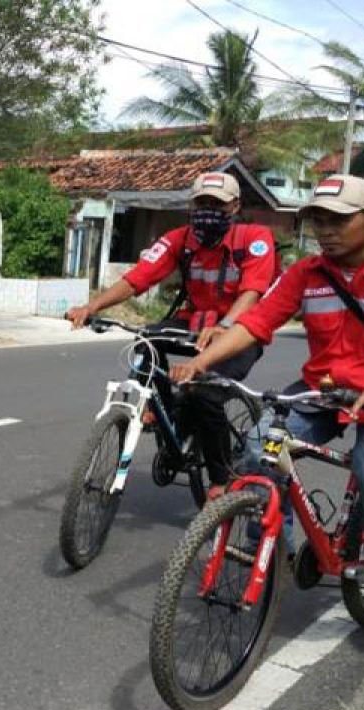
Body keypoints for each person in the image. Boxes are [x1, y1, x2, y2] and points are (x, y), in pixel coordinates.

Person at [170, 175, 364, 593]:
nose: (326, 231)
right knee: (259, 450)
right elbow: (257, 321)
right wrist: (201, 362)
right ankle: (271, 547)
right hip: (325, 387)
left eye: (338, 220)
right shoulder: (307, 272)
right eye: (318, 220)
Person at [66, 172, 278, 493]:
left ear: (234, 206)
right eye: (201, 203)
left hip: (240, 330)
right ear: (192, 206)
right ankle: (162, 407)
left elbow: (252, 292)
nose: (207, 210)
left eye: (216, 204)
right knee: (147, 338)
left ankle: (220, 480)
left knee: (205, 393)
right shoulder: (179, 239)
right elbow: (137, 279)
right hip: (194, 323)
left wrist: (225, 326)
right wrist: (92, 308)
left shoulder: (255, 238)